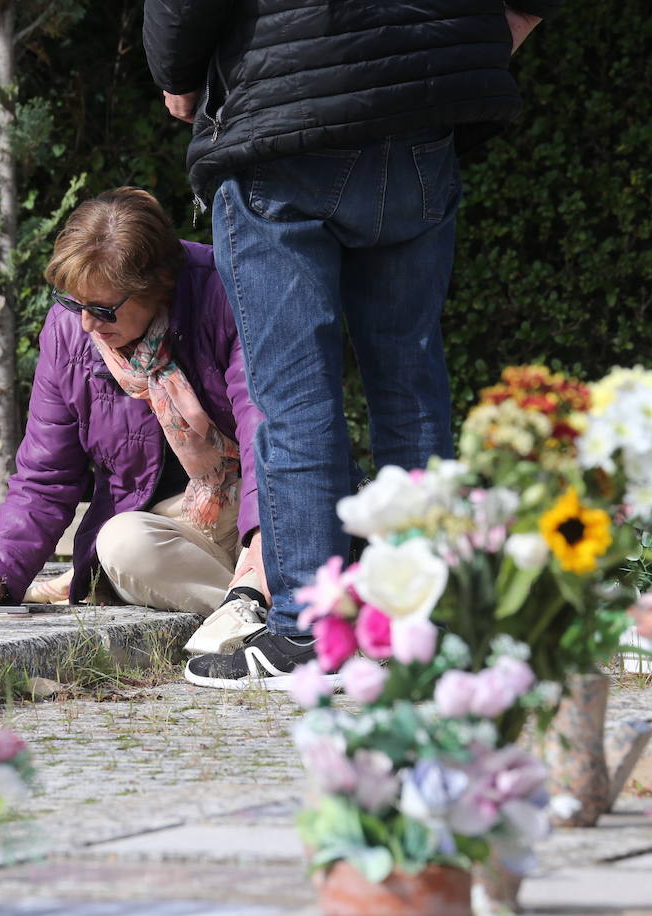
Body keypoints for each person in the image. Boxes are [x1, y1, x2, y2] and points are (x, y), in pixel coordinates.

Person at [142, 1, 558, 688]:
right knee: (410, 383)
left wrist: (177, 71)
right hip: (425, 101)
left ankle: (310, 632)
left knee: (294, 393)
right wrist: (495, 29)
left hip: (283, 109)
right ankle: (428, 621)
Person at [0, 187, 269, 655]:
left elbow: (268, 436)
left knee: (285, 530)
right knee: (121, 544)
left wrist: (263, 541)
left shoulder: (228, 293)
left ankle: (273, 600)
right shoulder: (67, 331)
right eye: (74, 304)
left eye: (102, 309)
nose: (87, 326)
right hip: (172, 529)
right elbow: (45, 477)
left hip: (255, 507)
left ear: (159, 285)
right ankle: (277, 617)